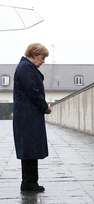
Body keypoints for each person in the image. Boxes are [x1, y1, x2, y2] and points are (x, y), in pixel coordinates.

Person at [13, 43, 52, 193]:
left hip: (28, 115)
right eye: (42, 58)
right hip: (27, 116)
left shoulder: (26, 67)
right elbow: (33, 92)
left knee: (30, 149)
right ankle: (29, 183)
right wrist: (45, 107)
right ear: (35, 54)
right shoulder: (25, 68)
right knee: (30, 149)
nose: (43, 61)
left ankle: (30, 182)